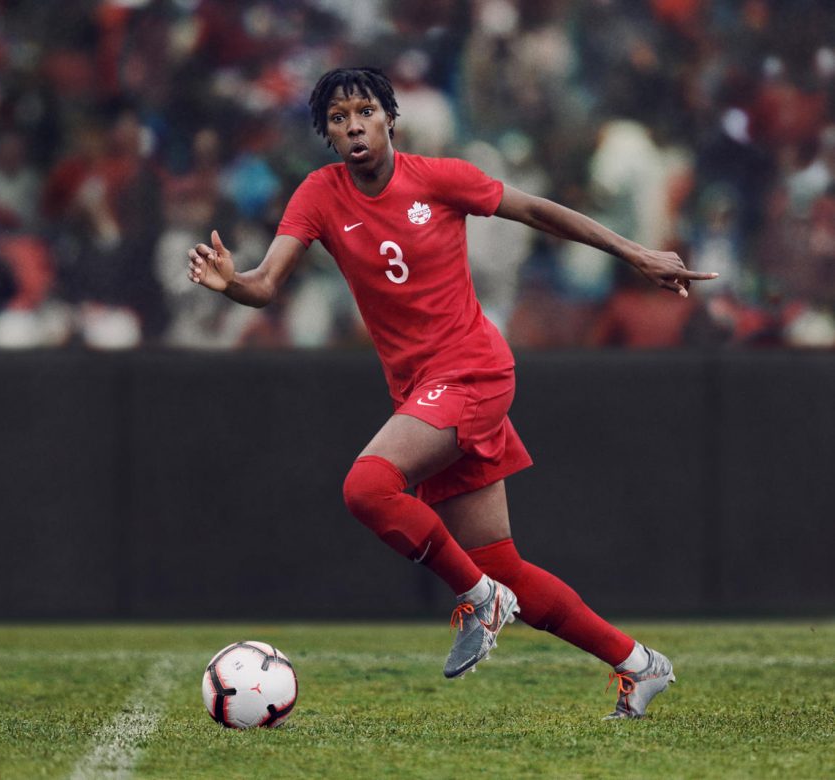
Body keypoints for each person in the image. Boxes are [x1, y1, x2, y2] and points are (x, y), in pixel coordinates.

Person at [187, 67, 718, 719]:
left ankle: (479, 599)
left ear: (389, 117)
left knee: (367, 488)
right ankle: (639, 664)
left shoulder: (438, 177)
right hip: (424, 390)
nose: (353, 124)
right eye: (337, 117)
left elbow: (538, 211)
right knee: (504, 565)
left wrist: (636, 252)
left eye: (364, 111)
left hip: (470, 370)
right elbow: (265, 283)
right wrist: (230, 281)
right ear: (326, 133)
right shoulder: (319, 195)